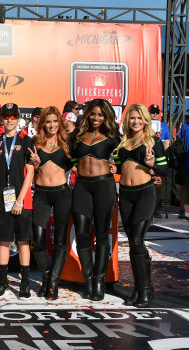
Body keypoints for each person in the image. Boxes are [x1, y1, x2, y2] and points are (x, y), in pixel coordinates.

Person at [113, 104, 168, 307]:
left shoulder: (153, 141)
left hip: (145, 193)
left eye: (139, 118)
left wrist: (152, 165)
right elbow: (119, 166)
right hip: (125, 194)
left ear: (145, 120)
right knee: (133, 242)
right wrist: (113, 167)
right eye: (132, 118)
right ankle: (138, 290)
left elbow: (165, 170)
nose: (135, 121)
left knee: (136, 240)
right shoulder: (123, 141)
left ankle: (146, 290)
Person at [69, 98, 120, 301]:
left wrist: (119, 167)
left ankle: (99, 281)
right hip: (82, 186)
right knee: (82, 235)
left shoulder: (113, 135)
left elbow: (126, 156)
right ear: (87, 114)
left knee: (101, 234)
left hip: (104, 186)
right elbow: (69, 157)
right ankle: (88, 280)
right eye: (93, 114)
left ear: (106, 116)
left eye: (100, 114)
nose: (96, 118)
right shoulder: (78, 135)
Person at [0, 103, 35, 299]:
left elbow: (31, 172)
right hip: (1, 198)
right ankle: (3, 282)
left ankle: (24, 284)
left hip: (22, 200)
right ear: (1, 118)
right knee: (3, 241)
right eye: (5, 116)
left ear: (18, 118)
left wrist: (19, 201)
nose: (9, 120)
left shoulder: (26, 140)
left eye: (12, 116)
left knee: (23, 241)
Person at [28, 106, 73, 300]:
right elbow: (31, 168)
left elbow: (75, 164)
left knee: (60, 241)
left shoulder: (66, 142)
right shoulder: (35, 142)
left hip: (62, 193)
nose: (52, 125)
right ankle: (46, 277)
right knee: (37, 239)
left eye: (55, 121)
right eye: (48, 121)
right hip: (41, 193)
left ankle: (53, 283)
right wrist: (37, 165)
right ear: (42, 123)